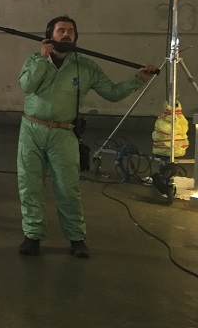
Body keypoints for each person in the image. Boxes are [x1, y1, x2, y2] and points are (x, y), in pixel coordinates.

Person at [16, 15, 156, 257]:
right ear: (50, 35)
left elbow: (111, 93)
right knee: (29, 186)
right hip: (31, 130)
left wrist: (138, 80)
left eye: (71, 31)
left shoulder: (87, 67)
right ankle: (32, 235)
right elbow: (27, 86)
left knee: (68, 188)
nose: (67, 34)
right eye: (61, 30)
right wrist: (43, 58)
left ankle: (76, 238)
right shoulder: (34, 60)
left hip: (63, 132)